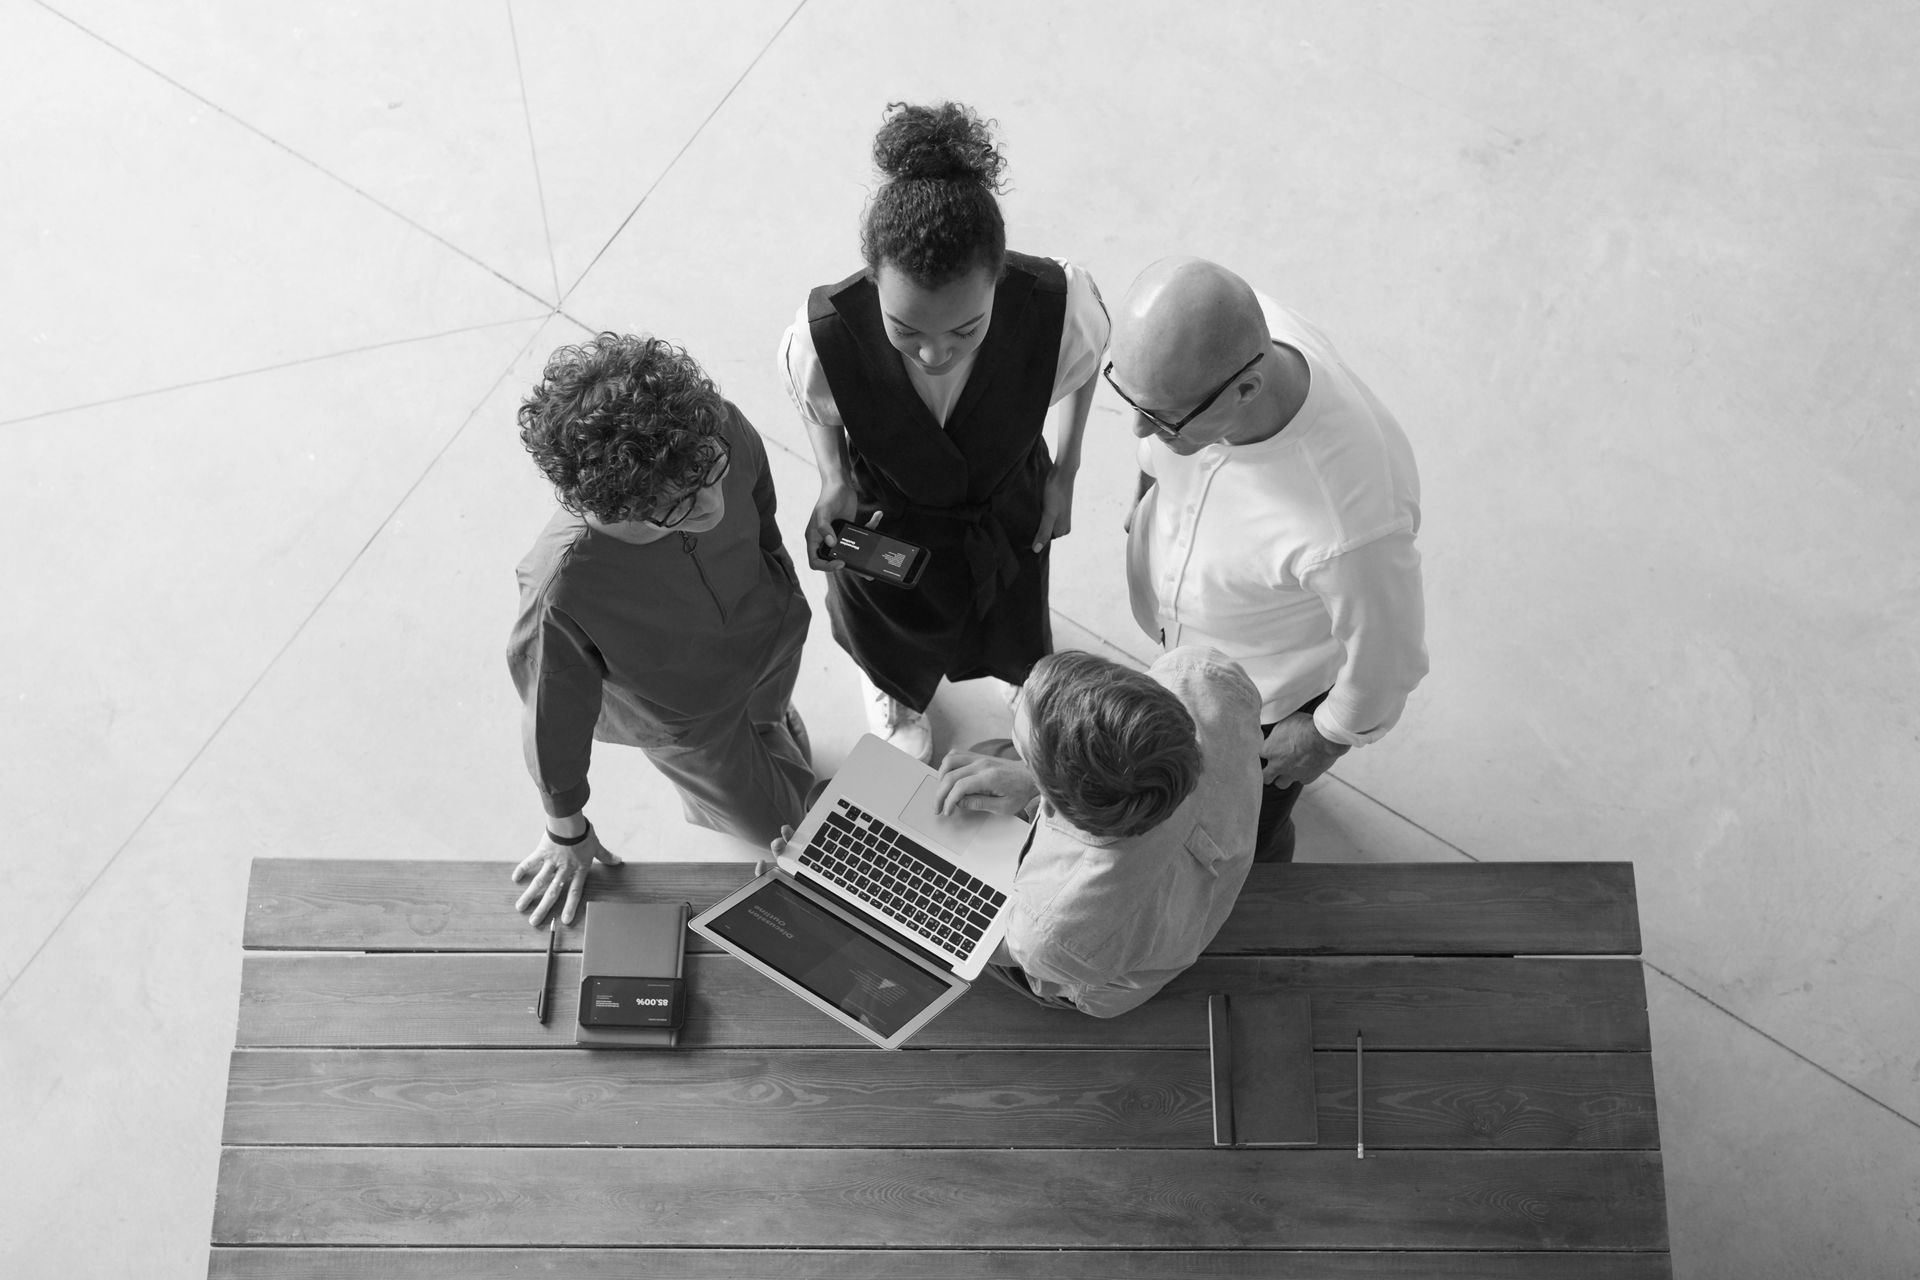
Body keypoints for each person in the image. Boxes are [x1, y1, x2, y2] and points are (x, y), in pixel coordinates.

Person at [777, 101, 1108, 763]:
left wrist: (1064, 474)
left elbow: (1084, 368)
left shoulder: (1057, 304)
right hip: (887, 512)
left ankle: (1018, 676)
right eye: (906, 332)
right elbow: (819, 407)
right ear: (874, 283)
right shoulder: (821, 338)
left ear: (998, 277)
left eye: (966, 329)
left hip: (1002, 494)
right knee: (882, 617)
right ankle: (892, 686)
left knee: (1012, 602)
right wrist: (833, 477)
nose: (935, 354)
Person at [1107, 257, 1428, 862]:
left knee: (1234, 837)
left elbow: (1391, 654)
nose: (1137, 431)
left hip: (1261, 702)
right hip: (1189, 649)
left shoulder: (1352, 521)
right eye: (1128, 397)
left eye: (1160, 417)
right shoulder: (1211, 354)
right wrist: (1146, 493)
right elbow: (1155, 427)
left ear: (1246, 390)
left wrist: (1326, 737)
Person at [507, 333, 813, 926]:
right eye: (674, 508)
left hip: (769, 626)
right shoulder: (561, 590)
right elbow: (550, 719)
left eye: (710, 472)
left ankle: (768, 723)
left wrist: (777, 567)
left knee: (769, 711)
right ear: (606, 509)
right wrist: (566, 830)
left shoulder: (709, 430)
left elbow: (759, 501)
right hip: (691, 721)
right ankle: (728, 788)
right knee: (780, 826)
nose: (712, 507)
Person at [930, 646, 1264, 1017]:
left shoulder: (1050, 930)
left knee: (983, 753)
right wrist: (1033, 777)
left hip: (1100, 980)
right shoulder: (1200, 673)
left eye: (1027, 758)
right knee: (987, 755)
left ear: (1055, 804)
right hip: (1210, 887)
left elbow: (998, 942)